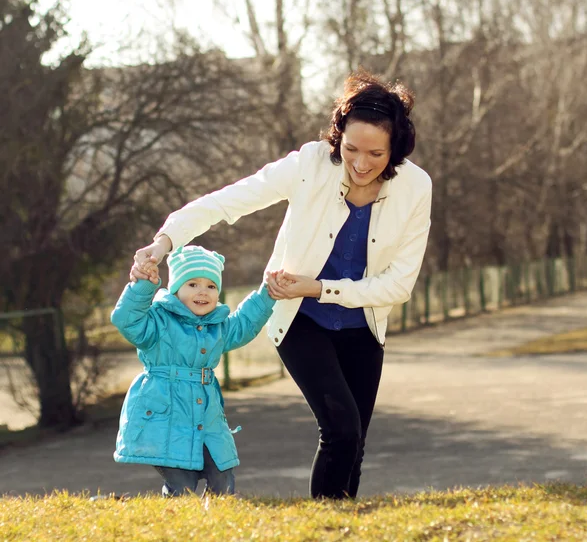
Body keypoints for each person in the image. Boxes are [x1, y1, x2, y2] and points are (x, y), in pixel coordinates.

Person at [130, 69, 432, 499]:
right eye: (350, 149)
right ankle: (326, 525)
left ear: (396, 148)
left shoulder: (416, 188)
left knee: (355, 441)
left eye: (376, 154)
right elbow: (227, 201)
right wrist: (163, 243)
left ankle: (343, 525)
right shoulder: (310, 164)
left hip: (362, 323)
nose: (361, 164)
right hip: (297, 318)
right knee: (341, 428)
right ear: (337, 137)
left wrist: (320, 287)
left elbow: (399, 284)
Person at [111, 244, 276, 497]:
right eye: (193, 284)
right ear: (176, 289)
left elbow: (244, 324)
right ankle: (175, 524)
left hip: (206, 416)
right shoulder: (158, 322)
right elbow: (126, 320)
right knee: (182, 484)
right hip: (166, 413)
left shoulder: (217, 327)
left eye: (211, 286)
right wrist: (143, 285)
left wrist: (267, 294)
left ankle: (217, 524)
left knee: (223, 475)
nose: (203, 292)